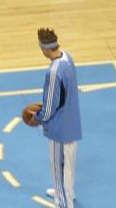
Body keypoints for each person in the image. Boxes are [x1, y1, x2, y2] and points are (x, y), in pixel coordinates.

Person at [30, 28, 82, 208]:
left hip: (59, 129)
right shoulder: (67, 57)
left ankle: (64, 202)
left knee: (58, 169)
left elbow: (50, 106)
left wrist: (37, 118)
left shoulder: (53, 72)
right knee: (68, 165)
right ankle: (69, 194)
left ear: (44, 49)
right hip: (72, 122)